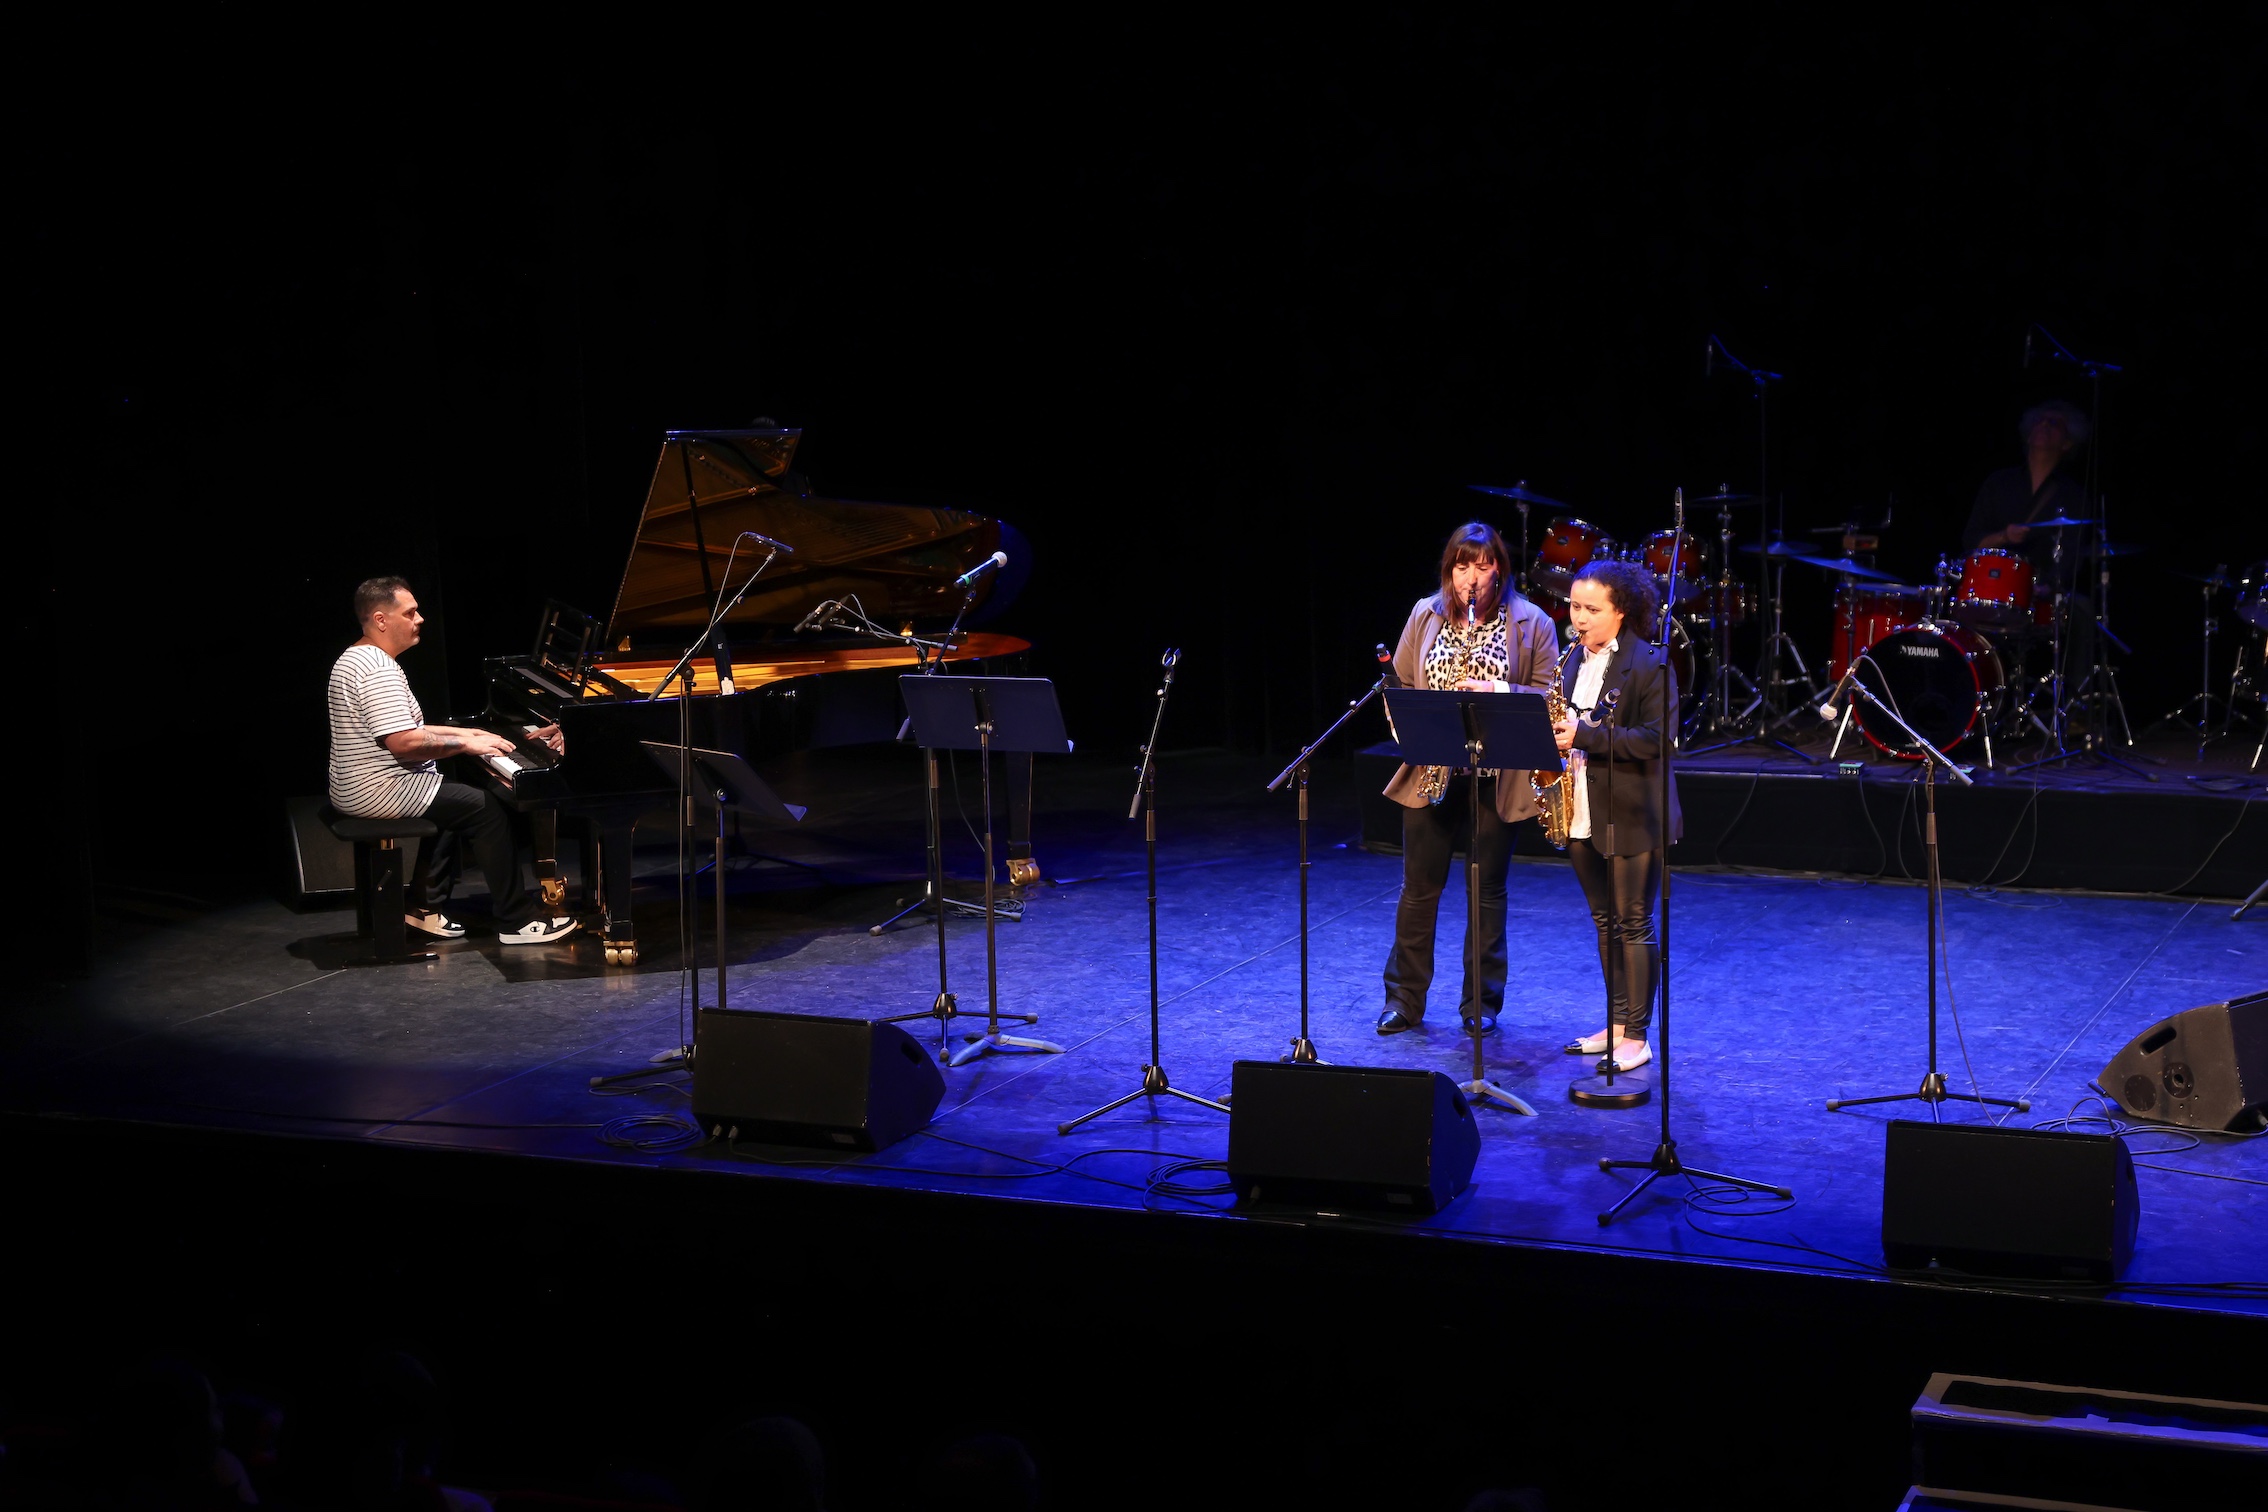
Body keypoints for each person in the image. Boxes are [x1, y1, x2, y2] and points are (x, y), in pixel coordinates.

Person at [1378, 523, 1562, 1036]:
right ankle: (1404, 999)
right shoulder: (1426, 613)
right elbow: (1402, 684)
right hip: (1433, 768)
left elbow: (1550, 697)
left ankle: (1480, 1004)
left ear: (1499, 569)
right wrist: (1408, 729)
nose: (1471, 578)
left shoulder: (1532, 621)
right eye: (1462, 566)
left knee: (1486, 892)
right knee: (1419, 889)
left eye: (1482, 566)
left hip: (1498, 774)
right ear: (1449, 570)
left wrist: (1498, 689)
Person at [327, 576, 577, 946]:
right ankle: (517, 921)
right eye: (410, 613)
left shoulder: (355, 657)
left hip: (353, 786)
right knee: (484, 808)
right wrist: (464, 746)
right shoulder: (378, 670)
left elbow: (408, 727)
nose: (420, 619)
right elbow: (404, 743)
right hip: (376, 791)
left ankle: (424, 907)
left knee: (453, 798)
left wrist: (468, 734)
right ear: (381, 620)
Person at [1553, 559, 1682, 1073]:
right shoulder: (1570, 660)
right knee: (1605, 920)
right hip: (1582, 806)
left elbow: (1657, 740)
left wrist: (1584, 735)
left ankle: (1638, 1036)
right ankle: (1617, 1022)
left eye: (1591, 609)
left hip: (1633, 810)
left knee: (1633, 920)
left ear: (1620, 611)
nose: (1579, 618)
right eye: (1574, 607)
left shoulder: (1651, 663)